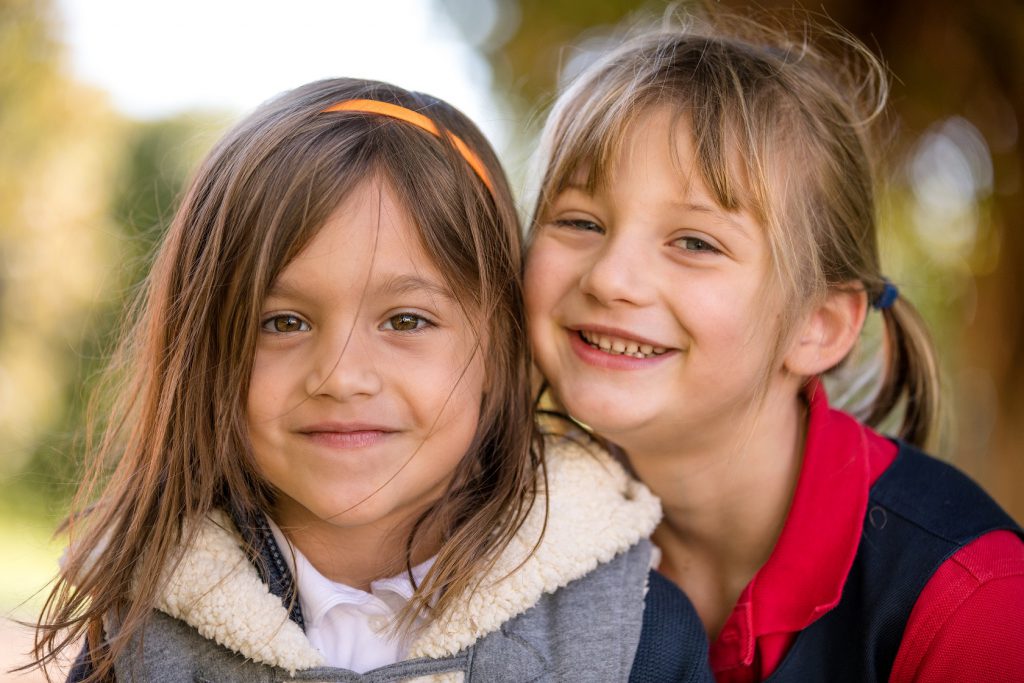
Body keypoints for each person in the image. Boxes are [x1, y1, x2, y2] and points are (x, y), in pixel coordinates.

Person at [31, 78, 712, 682]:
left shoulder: (639, 637)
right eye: (283, 322)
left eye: (407, 320)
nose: (340, 376)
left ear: (502, 352)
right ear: (206, 355)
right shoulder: (142, 640)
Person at [524, 14, 1024, 683]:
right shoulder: (516, 539)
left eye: (695, 242)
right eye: (580, 222)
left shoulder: (973, 603)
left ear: (817, 324)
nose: (610, 276)